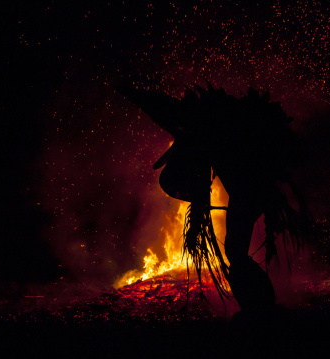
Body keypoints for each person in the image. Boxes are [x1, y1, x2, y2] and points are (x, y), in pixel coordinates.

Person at [117, 81, 311, 310]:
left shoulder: (215, 133)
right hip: (252, 190)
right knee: (235, 252)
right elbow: (164, 111)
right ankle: (260, 306)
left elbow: (166, 112)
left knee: (235, 253)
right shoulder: (215, 131)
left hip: (251, 190)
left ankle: (260, 309)